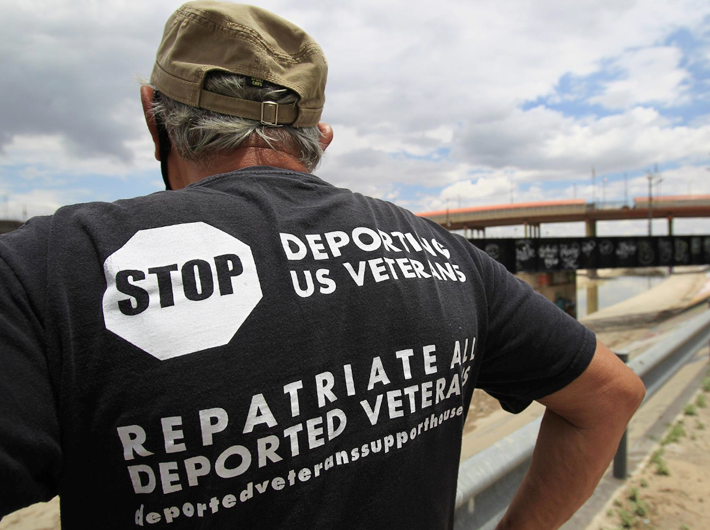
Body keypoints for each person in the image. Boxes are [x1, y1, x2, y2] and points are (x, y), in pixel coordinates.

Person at [0, 2, 645, 529]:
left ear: (152, 113)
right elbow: (610, 397)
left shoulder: (50, 271)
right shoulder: (441, 253)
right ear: (319, 137)